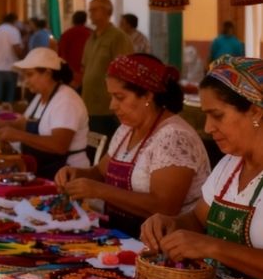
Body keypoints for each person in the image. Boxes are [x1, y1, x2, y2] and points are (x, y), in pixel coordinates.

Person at [55, 53, 210, 237]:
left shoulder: (174, 137)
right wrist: (77, 174)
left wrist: (100, 190)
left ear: (147, 95)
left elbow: (165, 207)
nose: (112, 105)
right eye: (111, 97)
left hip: (162, 247)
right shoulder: (126, 130)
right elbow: (100, 172)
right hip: (121, 236)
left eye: (119, 97)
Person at [142, 56, 263, 279]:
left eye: (217, 115)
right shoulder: (231, 163)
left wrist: (213, 247)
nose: (208, 127)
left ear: (255, 112)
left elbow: (209, 244)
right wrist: (171, 224)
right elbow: (198, 219)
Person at [0, 48, 89, 179]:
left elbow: (59, 145)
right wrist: (2, 124)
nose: (26, 80)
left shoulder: (66, 100)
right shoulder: (40, 97)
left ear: (47, 73)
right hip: (43, 170)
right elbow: (24, 124)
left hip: (66, 175)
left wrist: (19, 135)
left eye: (30, 75)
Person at [81, 0, 134, 137]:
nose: (90, 13)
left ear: (107, 11)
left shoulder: (118, 37)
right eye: (90, 10)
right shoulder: (90, 38)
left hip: (108, 107)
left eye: (94, 9)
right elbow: (85, 67)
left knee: (106, 145)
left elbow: (125, 71)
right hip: (89, 104)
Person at [0, 13, 23, 104]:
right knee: (9, 98)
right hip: (11, 67)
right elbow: (16, 48)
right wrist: (22, 59)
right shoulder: (13, 31)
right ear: (14, 21)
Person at [58, 10, 91, 91]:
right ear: (85, 20)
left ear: (73, 20)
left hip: (70, 75)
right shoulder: (91, 34)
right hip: (88, 75)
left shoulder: (66, 34)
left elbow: (61, 56)